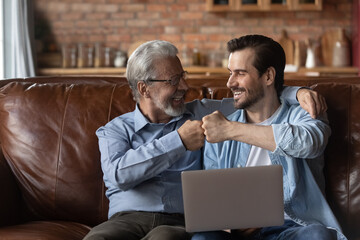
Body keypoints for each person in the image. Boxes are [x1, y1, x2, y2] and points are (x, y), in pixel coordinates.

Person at [83, 40, 328, 240]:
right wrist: (178, 141)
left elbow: (255, 95)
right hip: (125, 219)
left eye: (183, 76)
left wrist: (297, 91)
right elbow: (117, 176)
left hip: (176, 223)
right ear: (144, 89)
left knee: (165, 238)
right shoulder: (114, 130)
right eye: (173, 81)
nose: (185, 86)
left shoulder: (204, 114)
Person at [192, 35, 347, 240]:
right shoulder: (219, 124)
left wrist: (230, 130)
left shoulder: (304, 113)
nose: (230, 82)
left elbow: (308, 143)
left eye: (240, 73)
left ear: (268, 76)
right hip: (239, 234)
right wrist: (232, 225)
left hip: (292, 228)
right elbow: (212, 202)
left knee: (319, 235)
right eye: (230, 73)